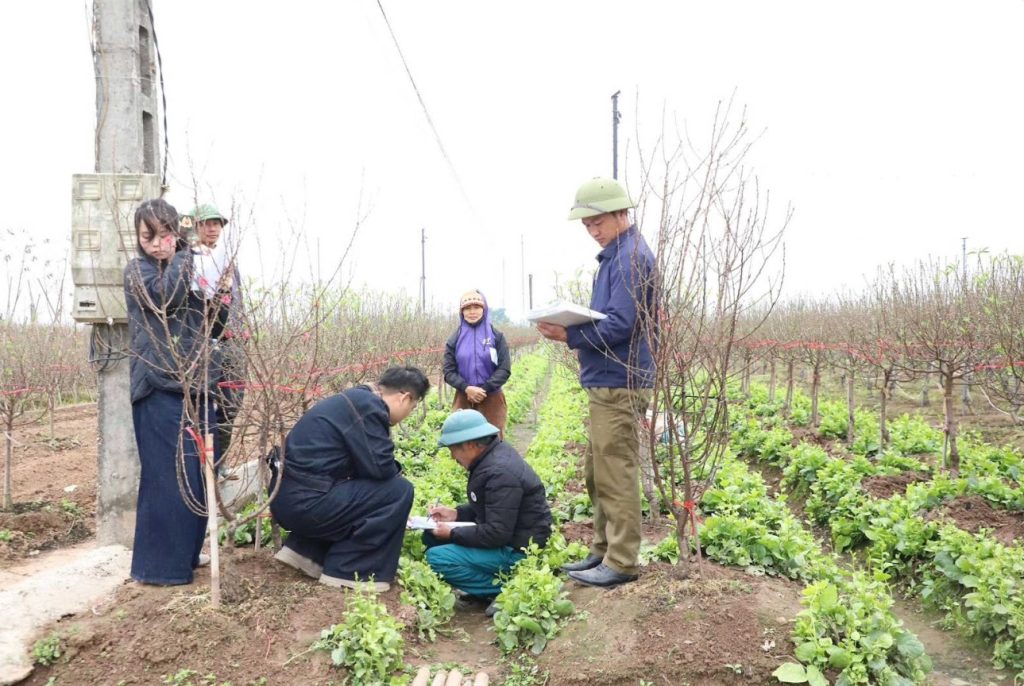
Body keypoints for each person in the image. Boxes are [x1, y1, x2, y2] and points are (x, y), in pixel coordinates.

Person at [536, 177, 655, 588]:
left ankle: (621, 561)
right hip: (607, 378)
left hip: (620, 379)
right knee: (597, 471)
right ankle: (603, 549)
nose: (592, 230)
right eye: (587, 224)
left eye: (597, 221)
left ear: (622, 213)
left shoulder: (630, 259)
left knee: (615, 471)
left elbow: (621, 324)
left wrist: (570, 334)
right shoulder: (616, 257)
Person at [125, 198, 229, 585]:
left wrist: (221, 294)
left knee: (198, 475)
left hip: (197, 386)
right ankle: (159, 569)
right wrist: (186, 254)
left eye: (164, 234)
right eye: (147, 236)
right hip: (158, 388)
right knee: (168, 478)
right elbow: (164, 299)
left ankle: (186, 554)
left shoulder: (190, 269)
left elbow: (214, 327)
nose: (157, 244)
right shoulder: (137, 272)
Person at [269, 366, 429, 591]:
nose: (408, 414)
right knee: (399, 491)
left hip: (288, 497)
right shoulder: (368, 407)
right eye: (412, 408)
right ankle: (350, 572)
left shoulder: (355, 399)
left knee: (357, 485)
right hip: (306, 503)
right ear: (405, 398)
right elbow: (381, 468)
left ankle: (305, 553)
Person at [424, 409, 552, 614]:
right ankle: (486, 584)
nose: (453, 457)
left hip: (518, 552)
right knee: (431, 536)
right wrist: (455, 514)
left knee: (437, 558)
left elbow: (496, 533)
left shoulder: (499, 472)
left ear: (470, 445)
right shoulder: (492, 457)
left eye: (453, 450)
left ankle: (507, 589)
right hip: (509, 536)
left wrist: (453, 532)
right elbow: (493, 506)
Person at [442, 290, 512, 438]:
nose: (472, 312)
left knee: (493, 439)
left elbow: (504, 369)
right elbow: (448, 371)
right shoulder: (455, 339)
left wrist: (484, 389)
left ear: (484, 309)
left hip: (492, 396)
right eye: (467, 308)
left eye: (476, 307)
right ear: (462, 312)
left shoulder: (496, 336)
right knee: (462, 439)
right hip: (464, 397)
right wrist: (466, 388)